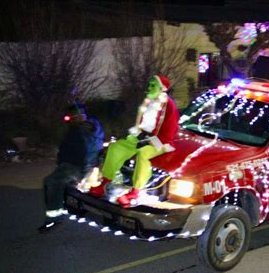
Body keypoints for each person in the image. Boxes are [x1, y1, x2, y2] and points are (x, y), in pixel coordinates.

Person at [89, 75, 179, 207]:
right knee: (116, 147)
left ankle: (135, 192)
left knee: (143, 155)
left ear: (162, 88)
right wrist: (136, 135)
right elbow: (141, 123)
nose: (149, 88)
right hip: (141, 136)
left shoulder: (169, 106)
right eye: (149, 85)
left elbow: (169, 131)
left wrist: (150, 141)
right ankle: (105, 183)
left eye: (153, 85)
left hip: (161, 142)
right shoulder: (148, 101)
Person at [38, 103, 104, 233]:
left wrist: (81, 175)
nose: (70, 120)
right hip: (72, 165)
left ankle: (54, 218)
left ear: (79, 116)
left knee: (52, 182)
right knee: (56, 182)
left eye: (72, 117)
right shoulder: (86, 127)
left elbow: (87, 154)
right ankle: (61, 207)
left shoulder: (82, 132)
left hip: (76, 167)